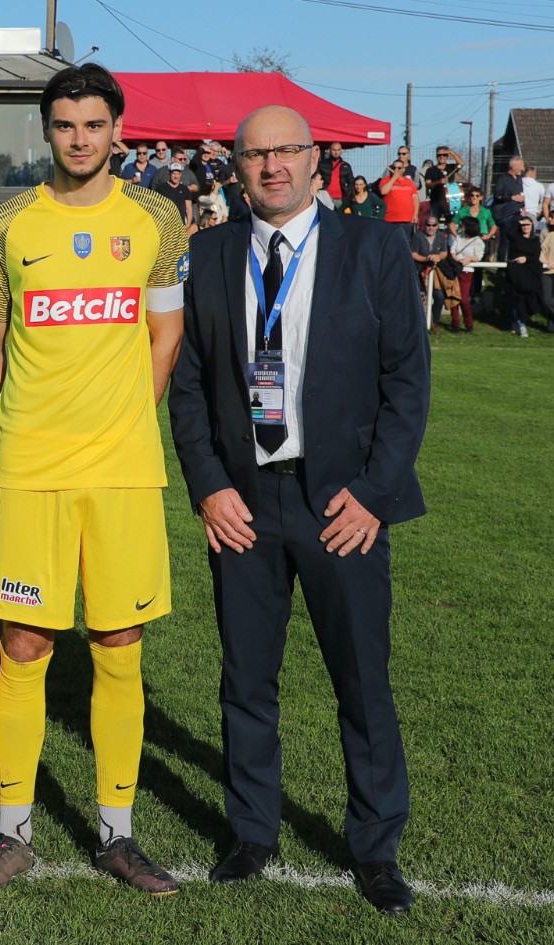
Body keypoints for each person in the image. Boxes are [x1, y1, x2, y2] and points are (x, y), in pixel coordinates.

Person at [167, 104, 430, 916]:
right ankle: (251, 833)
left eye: (286, 150)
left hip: (341, 503)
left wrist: (375, 494)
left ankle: (375, 846)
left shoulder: (373, 248)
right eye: (255, 154)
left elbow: (407, 382)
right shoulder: (211, 253)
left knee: (362, 681)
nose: (272, 165)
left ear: (317, 160)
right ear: (235, 168)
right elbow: (187, 384)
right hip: (244, 504)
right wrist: (209, 485)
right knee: (246, 679)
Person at [0, 63, 188, 897]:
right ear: (46, 130)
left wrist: (125, 416)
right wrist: (20, 423)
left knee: (120, 644)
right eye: (65, 125)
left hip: (124, 470)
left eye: (94, 124)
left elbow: (166, 332)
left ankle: (117, 835)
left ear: (117, 130)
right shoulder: (6, 222)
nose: (80, 139)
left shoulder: (158, 217)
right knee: (23, 645)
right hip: (33, 470)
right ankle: (12, 830)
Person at [505, 215, 542, 338]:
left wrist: (526, 259)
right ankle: (521, 325)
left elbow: (536, 256)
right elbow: (508, 231)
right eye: (523, 225)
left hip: (530, 273)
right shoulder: (515, 237)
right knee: (518, 299)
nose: (525, 227)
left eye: (527, 224)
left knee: (530, 299)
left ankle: (516, 322)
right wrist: (518, 219)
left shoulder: (535, 240)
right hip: (516, 272)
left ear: (532, 226)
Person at [410, 217, 450, 328]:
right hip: (420, 271)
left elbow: (444, 253)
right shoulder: (418, 236)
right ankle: (418, 323)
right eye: (428, 225)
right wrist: (426, 259)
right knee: (420, 298)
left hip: (436, 272)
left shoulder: (441, 236)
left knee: (439, 297)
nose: (430, 227)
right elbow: (413, 253)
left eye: (433, 225)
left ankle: (434, 322)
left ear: (437, 226)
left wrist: (437, 257)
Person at [446, 216, 484, 332]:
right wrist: (456, 259)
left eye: (463, 225)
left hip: (466, 271)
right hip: (454, 269)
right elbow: (453, 250)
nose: (461, 227)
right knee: (453, 297)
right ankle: (455, 323)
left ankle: (469, 324)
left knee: (463, 299)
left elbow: (478, 256)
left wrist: (469, 259)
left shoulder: (478, 241)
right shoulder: (459, 237)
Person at [379, 155, 421, 237]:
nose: (396, 170)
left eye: (399, 168)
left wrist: (415, 214)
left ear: (403, 169)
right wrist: (394, 178)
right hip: (390, 219)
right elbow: (383, 191)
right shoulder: (386, 180)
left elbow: (415, 199)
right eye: (394, 168)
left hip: (407, 219)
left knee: (406, 240)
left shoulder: (409, 182)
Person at [425, 148, 462, 223]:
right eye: (439, 155)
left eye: (444, 155)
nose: (441, 157)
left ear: (447, 156)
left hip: (450, 202)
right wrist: (438, 182)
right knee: (434, 222)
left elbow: (461, 163)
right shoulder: (431, 170)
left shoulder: (451, 167)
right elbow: (428, 184)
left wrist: (451, 152)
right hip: (435, 201)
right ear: (436, 156)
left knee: (451, 223)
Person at [317, 141, 355, 209]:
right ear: (330, 150)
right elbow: (315, 179)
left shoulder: (346, 166)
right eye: (334, 150)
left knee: (341, 215)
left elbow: (351, 182)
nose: (336, 152)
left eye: (338, 150)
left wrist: (348, 194)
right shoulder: (322, 164)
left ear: (341, 150)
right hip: (325, 197)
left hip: (341, 199)